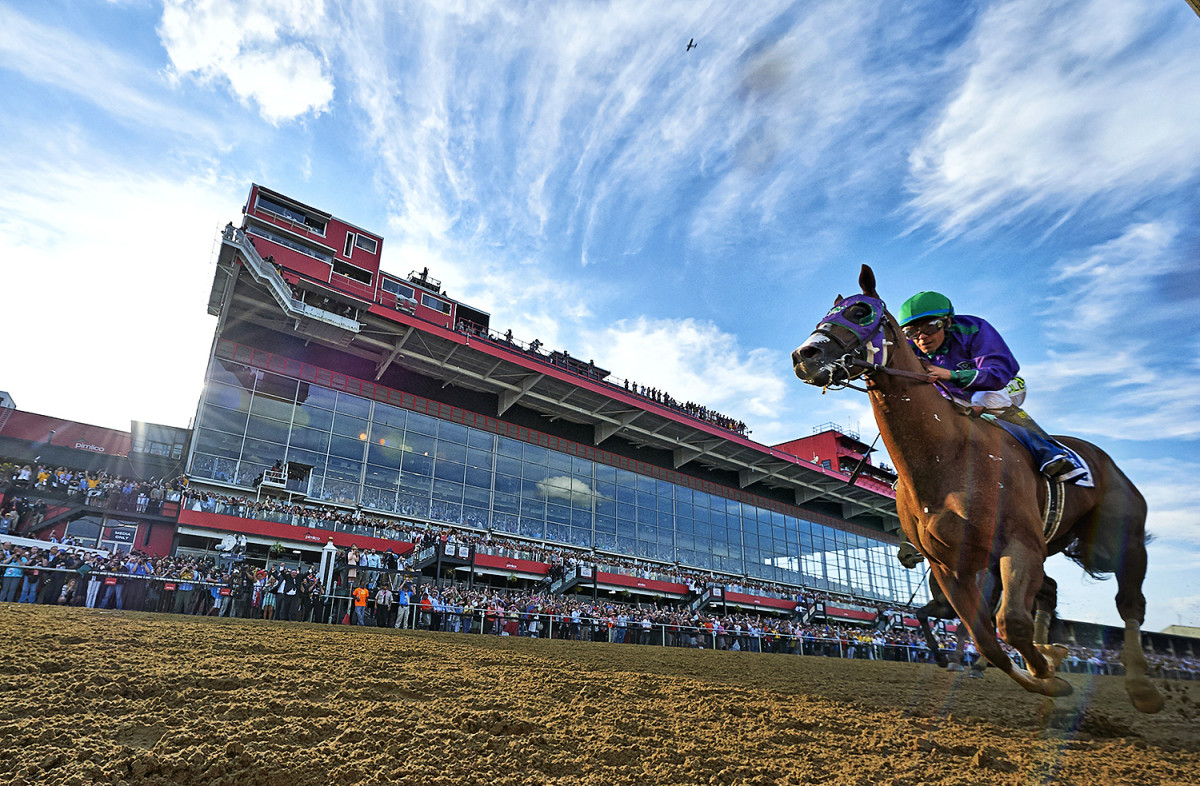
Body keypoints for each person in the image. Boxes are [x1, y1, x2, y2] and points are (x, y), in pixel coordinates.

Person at [897, 291, 1085, 482]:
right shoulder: (909, 347)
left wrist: (950, 375)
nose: (921, 338)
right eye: (911, 333)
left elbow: (999, 373)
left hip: (1004, 383)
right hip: (955, 396)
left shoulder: (975, 328)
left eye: (930, 328)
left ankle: (1049, 452)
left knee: (985, 398)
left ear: (947, 322)